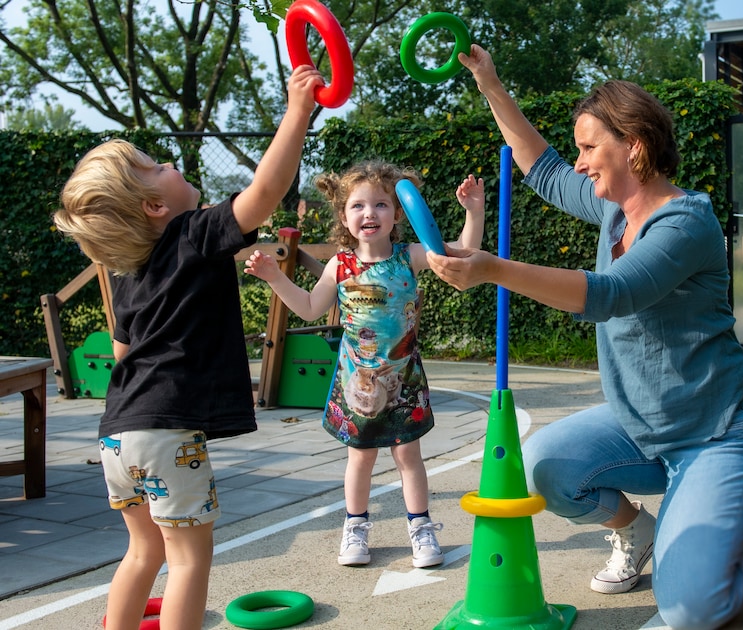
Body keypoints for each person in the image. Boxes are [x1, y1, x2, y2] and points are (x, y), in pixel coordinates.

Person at [426, 44, 743, 629]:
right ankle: (639, 530)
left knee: (689, 611)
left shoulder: (685, 221)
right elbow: (542, 169)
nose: (578, 163)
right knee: (546, 467)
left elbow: (611, 294)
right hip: (637, 428)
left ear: (634, 144)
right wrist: (489, 82)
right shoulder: (612, 209)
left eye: (588, 147)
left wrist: (492, 267)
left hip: (713, 438)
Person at [52, 66, 322, 630]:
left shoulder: (128, 273)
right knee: (189, 558)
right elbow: (266, 193)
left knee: (143, 553)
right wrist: (298, 110)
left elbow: (124, 357)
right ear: (154, 208)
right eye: (156, 167)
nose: (171, 163)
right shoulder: (193, 233)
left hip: (116, 434)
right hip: (165, 435)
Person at [243, 160, 485, 569]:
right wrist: (273, 277)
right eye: (358, 206)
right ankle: (355, 527)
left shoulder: (410, 256)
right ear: (343, 216)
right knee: (361, 457)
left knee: (409, 455)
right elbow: (307, 307)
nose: (369, 213)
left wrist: (473, 211)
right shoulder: (341, 265)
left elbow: (462, 255)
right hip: (357, 384)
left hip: (404, 380)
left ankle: (421, 527)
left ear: (397, 213)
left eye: (381, 205)